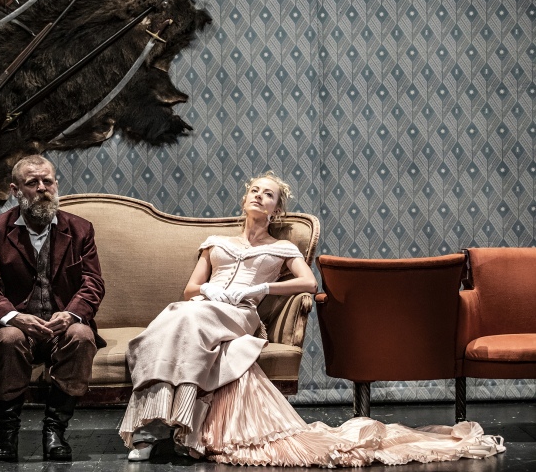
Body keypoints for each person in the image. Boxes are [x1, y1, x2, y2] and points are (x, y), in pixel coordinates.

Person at [120, 171, 505, 466]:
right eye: (255, 190)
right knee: (179, 314)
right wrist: (209, 291)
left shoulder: (282, 246)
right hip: (205, 307)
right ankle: (162, 421)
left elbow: (308, 282)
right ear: (245, 198)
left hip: (239, 313)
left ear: (277, 209)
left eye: (268, 194)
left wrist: (262, 289)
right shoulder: (215, 243)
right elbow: (190, 289)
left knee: (188, 319)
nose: (259, 196)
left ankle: (161, 426)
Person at [0, 155, 105, 462]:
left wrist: (71, 314)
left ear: (56, 184)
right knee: (9, 339)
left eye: (48, 181)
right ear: (15, 190)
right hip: (17, 327)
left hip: (63, 327)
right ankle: (7, 434)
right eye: (32, 182)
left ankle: (55, 431)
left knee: (82, 335)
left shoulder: (80, 229)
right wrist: (15, 318)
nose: (42, 188)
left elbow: (93, 283)